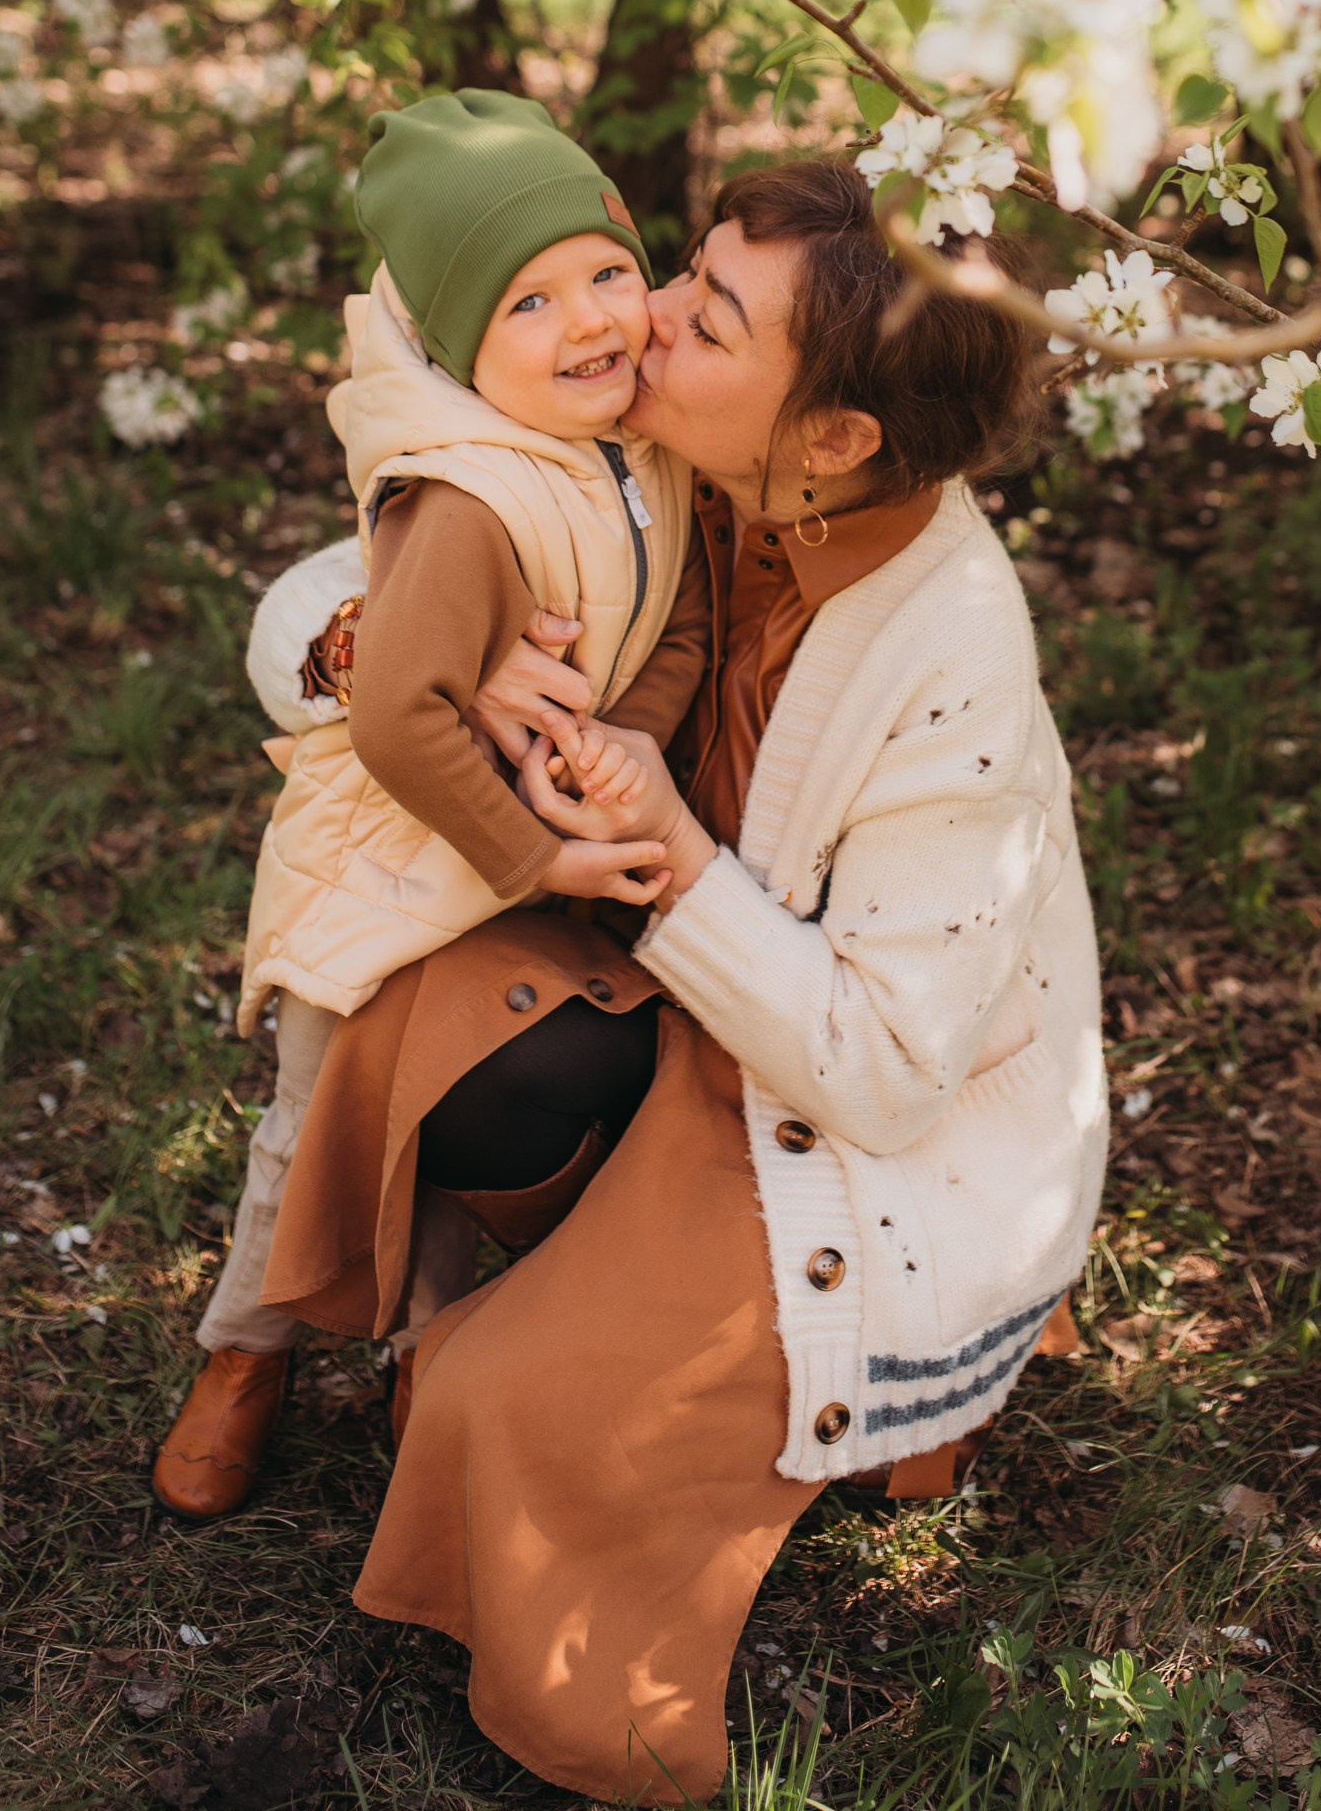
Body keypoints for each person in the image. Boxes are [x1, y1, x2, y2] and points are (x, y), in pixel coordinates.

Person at [260, 155, 1109, 1804]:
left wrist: (676, 857)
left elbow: (880, 1072)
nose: (640, 315)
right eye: (689, 269)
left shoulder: (955, 660)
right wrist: (407, 647)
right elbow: (317, 593)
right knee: (423, 1026)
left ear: (835, 438)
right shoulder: (675, 454)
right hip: (677, 999)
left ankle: (628, 1597)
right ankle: (556, 1256)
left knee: (516, 1409)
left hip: (847, 1114)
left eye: (708, 312)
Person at [152, 89, 709, 1520]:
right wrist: (542, 857)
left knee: (451, 1106)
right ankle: (244, 1357)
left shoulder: (649, 453)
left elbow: (690, 630)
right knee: (319, 1114)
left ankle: (423, 1352)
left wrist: (617, 751)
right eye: (529, 302)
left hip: (535, 825)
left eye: (604, 271)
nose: (590, 319)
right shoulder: (461, 502)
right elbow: (401, 716)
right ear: (464, 352)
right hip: (402, 848)